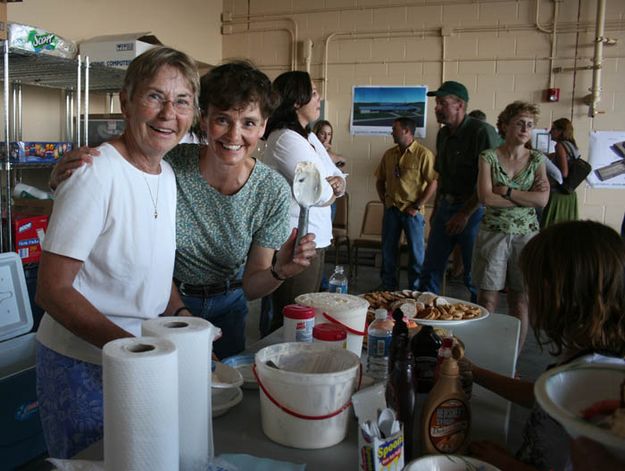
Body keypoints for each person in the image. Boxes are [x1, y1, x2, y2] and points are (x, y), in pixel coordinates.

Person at [48, 61, 318, 360]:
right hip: (162, 306)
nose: (233, 135)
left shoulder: (271, 191)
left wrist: (281, 270)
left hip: (220, 303)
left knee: (222, 396)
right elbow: (123, 163)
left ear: (264, 126)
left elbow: (253, 285)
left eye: (249, 123)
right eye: (223, 120)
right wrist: (65, 174)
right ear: (204, 120)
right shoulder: (171, 164)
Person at [35, 47, 200, 458]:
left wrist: (181, 317)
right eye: (154, 96)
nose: (168, 114)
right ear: (126, 101)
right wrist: (134, 350)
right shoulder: (94, 173)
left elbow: (152, 274)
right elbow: (53, 290)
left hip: (137, 359)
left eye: (182, 101)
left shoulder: (167, 175)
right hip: (82, 362)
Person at [469, 220, 625, 471]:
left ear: (559, 294)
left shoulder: (598, 381)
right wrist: (473, 372)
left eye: (531, 284)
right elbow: (544, 396)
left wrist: (506, 465)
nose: (526, 295)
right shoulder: (583, 358)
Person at [263, 71, 346, 331]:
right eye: (312, 92)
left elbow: (335, 173)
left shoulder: (307, 137)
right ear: (296, 101)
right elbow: (317, 192)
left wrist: (337, 184)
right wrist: (332, 191)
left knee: (304, 314)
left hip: (314, 238)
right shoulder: (286, 138)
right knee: (292, 317)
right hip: (295, 242)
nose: (319, 96)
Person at [472, 101, 549, 349]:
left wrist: (506, 191)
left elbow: (541, 200)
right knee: (487, 298)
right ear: (505, 126)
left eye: (530, 124)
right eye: (519, 123)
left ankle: (513, 356)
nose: (525, 128)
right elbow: (485, 197)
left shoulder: (537, 159)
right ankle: (484, 353)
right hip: (493, 233)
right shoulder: (489, 157)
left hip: (526, 236)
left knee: (521, 299)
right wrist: (523, 197)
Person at [419, 81, 501, 302]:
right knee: (430, 270)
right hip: (446, 206)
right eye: (437, 103)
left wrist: (464, 213)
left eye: (442, 103)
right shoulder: (443, 135)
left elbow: (491, 179)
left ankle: (476, 326)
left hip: (474, 210)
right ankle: (427, 321)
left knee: (473, 276)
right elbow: (442, 176)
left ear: (460, 105)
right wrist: (436, 209)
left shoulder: (482, 132)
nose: (437, 108)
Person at [374, 117, 437, 290]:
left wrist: (417, 205)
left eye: (395, 129)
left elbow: (433, 182)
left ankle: (415, 291)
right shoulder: (389, 154)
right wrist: (384, 200)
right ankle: (388, 288)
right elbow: (380, 179)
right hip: (392, 210)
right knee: (388, 252)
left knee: (417, 255)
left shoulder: (424, 154)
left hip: (413, 213)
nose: (391, 132)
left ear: (407, 131)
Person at [541, 117, 580, 227]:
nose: (550, 132)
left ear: (561, 131)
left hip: (559, 194)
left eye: (553, 129)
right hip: (570, 193)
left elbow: (564, 173)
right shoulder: (572, 146)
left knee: (550, 227)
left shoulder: (560, 146)